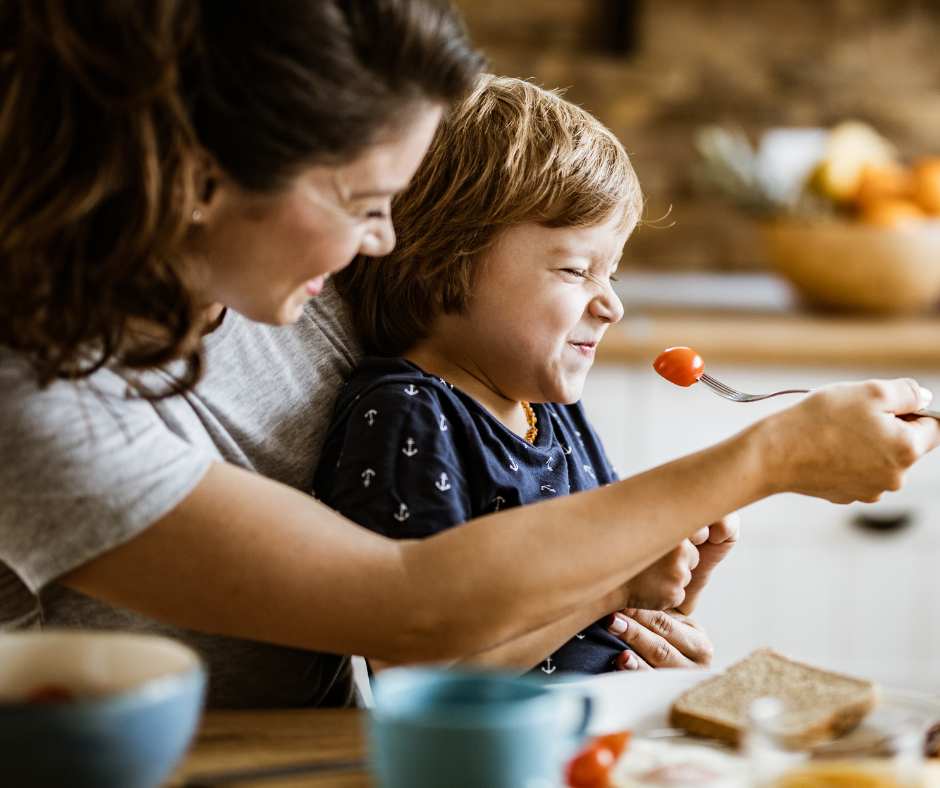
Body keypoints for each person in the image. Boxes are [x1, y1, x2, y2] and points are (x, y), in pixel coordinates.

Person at [0, 0, 937, 710]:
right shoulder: (35, 405)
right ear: (203, 178)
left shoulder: (294, 291)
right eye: (368, 204)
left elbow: (486, 565)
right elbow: (409, 606)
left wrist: (623, 596)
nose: (382, 245)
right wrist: (763, 458)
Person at [318, 74, 736, 677]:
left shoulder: (555, 412)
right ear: (444, 263)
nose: (611, 305)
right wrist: (613, 587)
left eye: (610, 275)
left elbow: (612, 622)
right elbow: (423, 672)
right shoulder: (408, 416)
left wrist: (678, 578)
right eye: (575, 271)